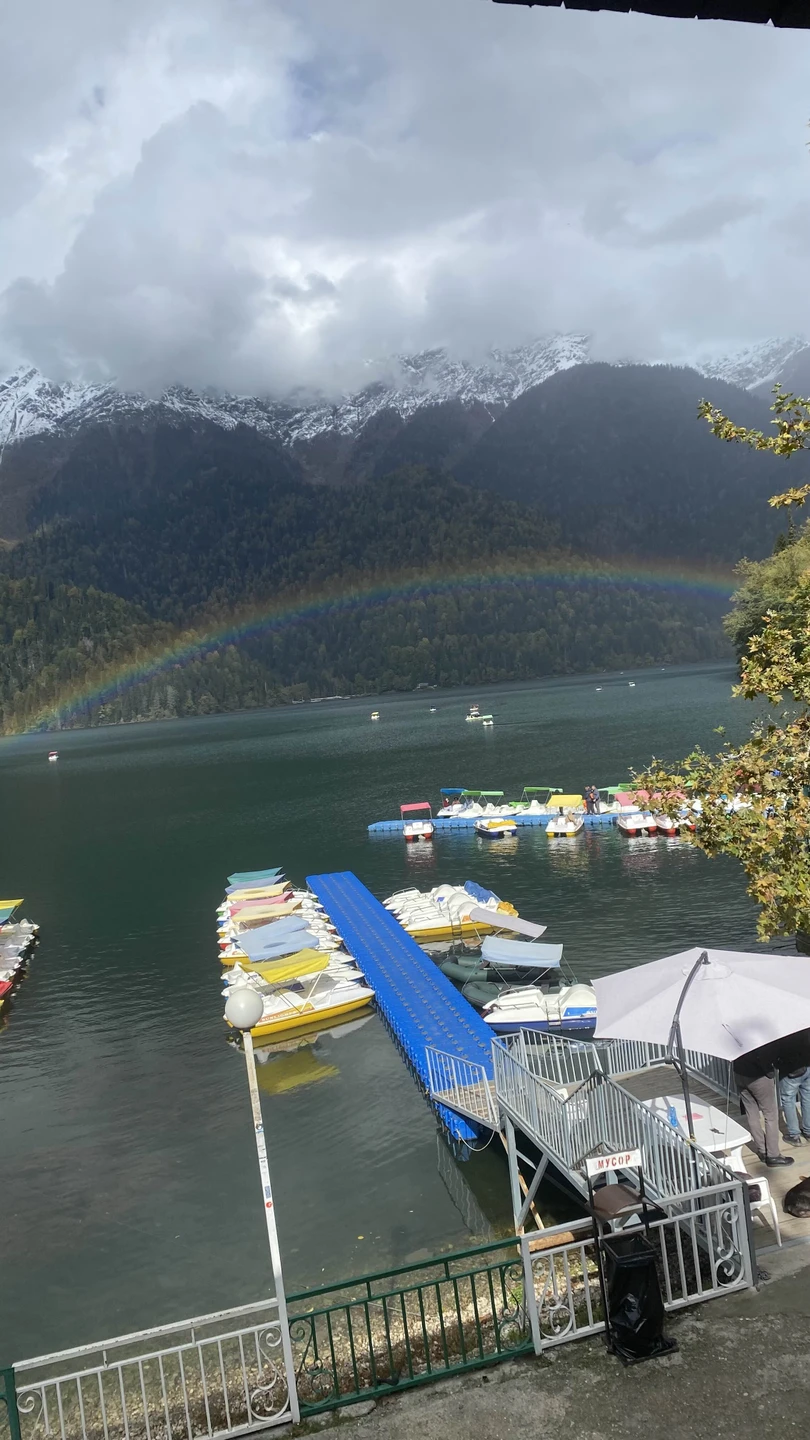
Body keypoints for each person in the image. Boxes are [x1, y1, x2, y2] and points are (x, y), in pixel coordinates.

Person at [733, 1040, 794, 1167]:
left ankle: (762, 1150)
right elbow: (768, 1055)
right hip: (758, 1077)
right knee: (770, 1114)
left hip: (739, 1073)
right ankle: (773, 1155)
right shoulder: (762, 1035)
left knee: (751, 1112)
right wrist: (770, 1072)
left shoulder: (735, 1030)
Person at [776, 1028, 810, 1146]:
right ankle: (808, 1131)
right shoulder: (803, 1021)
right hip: (807, 1064)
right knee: (807, 1097)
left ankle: (794, 1135)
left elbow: (777, 1050)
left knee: (788, 1100)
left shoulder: (782, 1027)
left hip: (790, 1069)